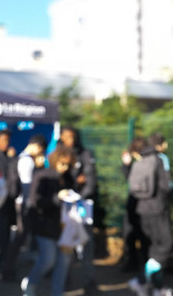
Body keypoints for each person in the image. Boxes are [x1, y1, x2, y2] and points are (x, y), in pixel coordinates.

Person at [21, 147, 77, 296]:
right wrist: (56, 197)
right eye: (62, 163)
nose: (64, 167)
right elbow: (36, 201)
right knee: (48, 260)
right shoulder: (42, 176)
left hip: (65, 227)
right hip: (45, 226)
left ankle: (57, 293)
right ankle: (30, 284)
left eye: (67, 164)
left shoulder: (68, 178)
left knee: (63, 263)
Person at [128, 135, 173, 296]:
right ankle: (141, 280)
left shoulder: (141, 160)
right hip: (158, 209)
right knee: (165, 246)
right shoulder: (160, 159)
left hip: (142, 210)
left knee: (152, 251)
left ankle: (156, 288)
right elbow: (166, 185)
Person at [59, 125, 98, 293]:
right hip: (65, 208)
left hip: (82, 207)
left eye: (73, 137)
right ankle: (63, 279)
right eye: (67, 137)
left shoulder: (85, 154)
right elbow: (58, 180)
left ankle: (89, 282)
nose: (71, 140)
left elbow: (90, 181)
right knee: (66, 245)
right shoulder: (59, 154)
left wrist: (78, 196)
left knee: (86, 244)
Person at [5, 134, 48, 276]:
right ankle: (9, 268)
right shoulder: (27, 161)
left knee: (21, 236)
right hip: (25, 203)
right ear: (38, 146)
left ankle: (10, 267)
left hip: (22, 201)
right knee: (20, 236)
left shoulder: (22, 158)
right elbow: (28, 186)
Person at [0, 130, 21, 280]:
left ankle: (3, 263)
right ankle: (0, 263)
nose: (6, 143)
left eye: (7, 140)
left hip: (8, 203)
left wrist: (12, 159)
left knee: (5, 236)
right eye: (3, 140)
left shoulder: (8, 157)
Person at [120, 138, 150, 272]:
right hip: (133, 205)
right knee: (129, 236)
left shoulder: (148, 163)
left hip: (144, 206)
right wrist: (126, 165)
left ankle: (145, 267)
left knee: (144, 238)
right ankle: (131, 262)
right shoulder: (137, 163)